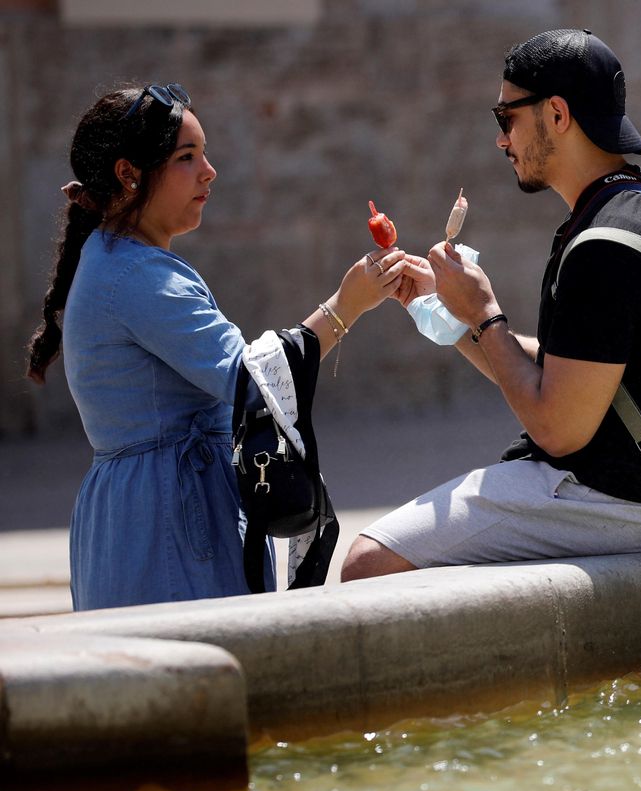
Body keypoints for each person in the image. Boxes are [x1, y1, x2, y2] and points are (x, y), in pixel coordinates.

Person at [24, 84, 408, 611]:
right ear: (127, 173)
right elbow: (250, 380)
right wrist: (348, 303)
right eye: (187, 158)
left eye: (204, 154)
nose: (210, 171)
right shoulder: (135, 274)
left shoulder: (116, 259)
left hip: (140, 511)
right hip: (166, 523)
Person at [342, 29, 641, 579]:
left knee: (369, 564)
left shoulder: (604, 245)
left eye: (505, 117)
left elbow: (558, 426)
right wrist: (449, 313)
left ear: (557, 114)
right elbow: (576, 373)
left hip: (616, 498)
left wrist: (485, 312)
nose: (501, 139)